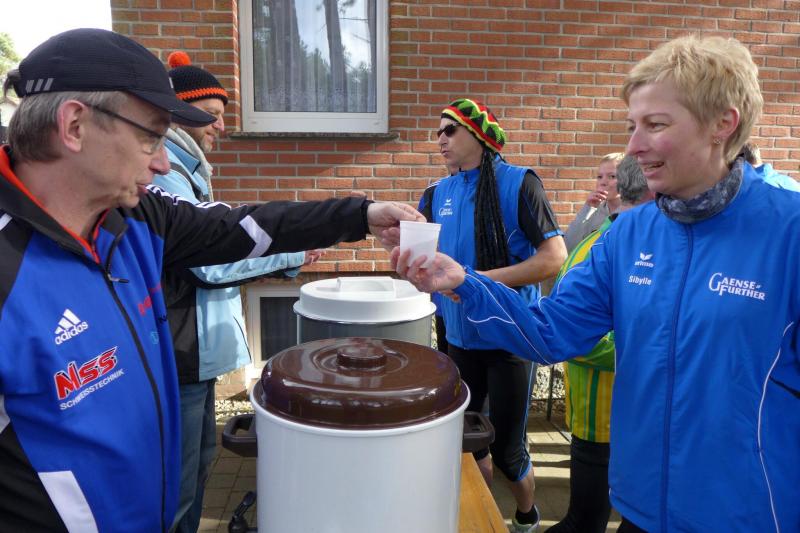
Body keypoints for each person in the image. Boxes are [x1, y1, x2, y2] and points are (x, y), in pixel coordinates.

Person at [0, 28, 421, 532]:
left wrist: (361, 214)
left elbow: (241, 227)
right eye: (151, 136)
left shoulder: (137, 216)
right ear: (74, 126)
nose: (162, 161)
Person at [395, 35, 799, 533]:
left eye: (655, 124)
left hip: (750, 515)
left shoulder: (788, 231)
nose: (634, 146)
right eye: (632, 126)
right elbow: (551, 331)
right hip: (641, 507)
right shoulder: (628, 234)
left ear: (723, 123)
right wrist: (464, 282)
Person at [154, 51, 317, 533]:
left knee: (199, 465)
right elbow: (209, 263)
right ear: (179, 111)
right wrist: (288, 255)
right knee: (179, 484)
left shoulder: (188, 171)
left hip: (194, 357)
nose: (221, 128)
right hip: (181, 353)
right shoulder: (168, 175)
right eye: (213, 115)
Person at [418, 98, 567, 533]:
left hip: (509, 338)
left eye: (450, 130)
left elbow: (553, 257)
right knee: (469, 440)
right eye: (438, 131)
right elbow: (425, 261)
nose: (440, 139)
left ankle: (526, 517)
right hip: (457, 336)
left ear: (479, 135)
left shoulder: (520, 183)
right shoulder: (436, 193)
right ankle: (483, 522)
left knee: (507, 450)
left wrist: (476, 282)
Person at [547, 155, 654, 533]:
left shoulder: (634, 240)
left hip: (622, 417)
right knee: (587, 520)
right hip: (597, 413)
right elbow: (567, 328)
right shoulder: (602, 241)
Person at [563, 152, 624, 251]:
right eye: (600, 177)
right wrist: (587, 208)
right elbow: (568, 247)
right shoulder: (594, 212)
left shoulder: (635, 212)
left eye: (612, 176)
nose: (603, 182)